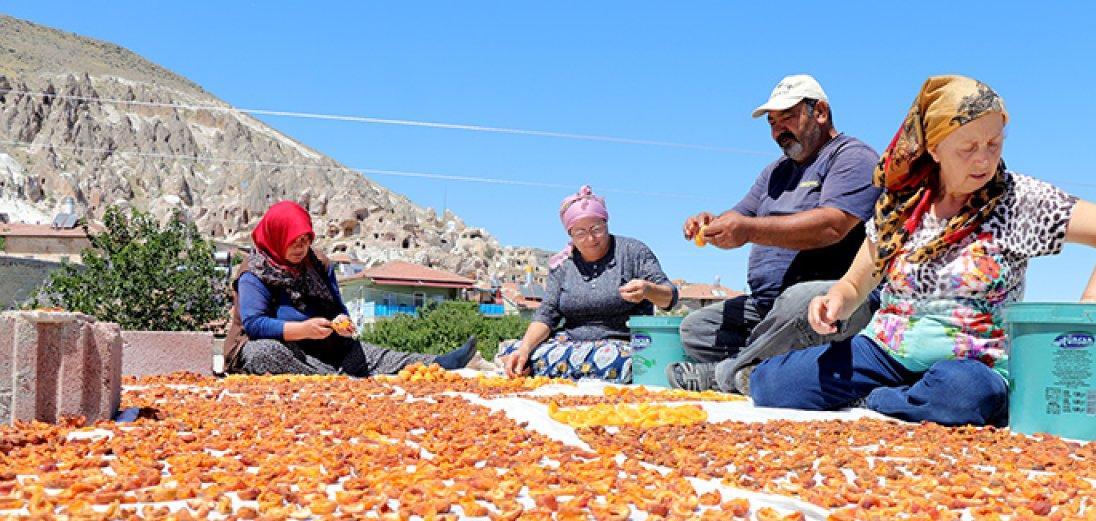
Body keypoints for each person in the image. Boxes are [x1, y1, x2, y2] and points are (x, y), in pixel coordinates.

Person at [750, 75, 1096, 426]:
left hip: (974, 361)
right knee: (771, 384)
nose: (984, 158)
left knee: (961, 394)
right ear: (935, 148)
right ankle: (906, 397)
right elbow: (858, 280)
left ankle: (883, 400)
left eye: (994, 143)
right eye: (968, 147)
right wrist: (834, 299)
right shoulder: (902, 203)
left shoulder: (1018, 200)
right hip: (886, 350)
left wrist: (1089, 312)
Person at [668, 74, 882, 394]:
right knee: (696, 329)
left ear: (820, 112)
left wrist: (747, 230)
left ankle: (729, 374)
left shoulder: (852, 157)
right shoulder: (774, 172)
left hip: (834, 302)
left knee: (800, 301)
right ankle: (766, 365)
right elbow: (738, 216)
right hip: (769, 307)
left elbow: (832, 225)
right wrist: (711, 224)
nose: (778, 130)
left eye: (787, 117)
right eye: (772, 122)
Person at [224, 200, 477, 376]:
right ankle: (337, 380)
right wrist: (303, 330)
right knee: (263, 353)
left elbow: (336, 307)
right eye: (293, 242)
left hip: (324, 346)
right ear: (277, 237)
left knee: (371, 355)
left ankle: (438, 363)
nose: (301, 248)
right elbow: (254, 324)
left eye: (305, 240)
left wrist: (341, 321)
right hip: (281, 347)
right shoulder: (255, 271)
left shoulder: (317, 264)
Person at [500, 186, 677, 382]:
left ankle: (559, 370)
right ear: (571, 235)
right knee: (510, 351)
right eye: (580, 233)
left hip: (619, 343)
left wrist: (648, 290)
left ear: (606, 224)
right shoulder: (563, 265)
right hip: (570, 342)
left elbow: (669, 297)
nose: (590, 239)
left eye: (596, 230)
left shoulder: (633, 252)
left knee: (616, 361)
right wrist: (524, 350)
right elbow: (546, 313)